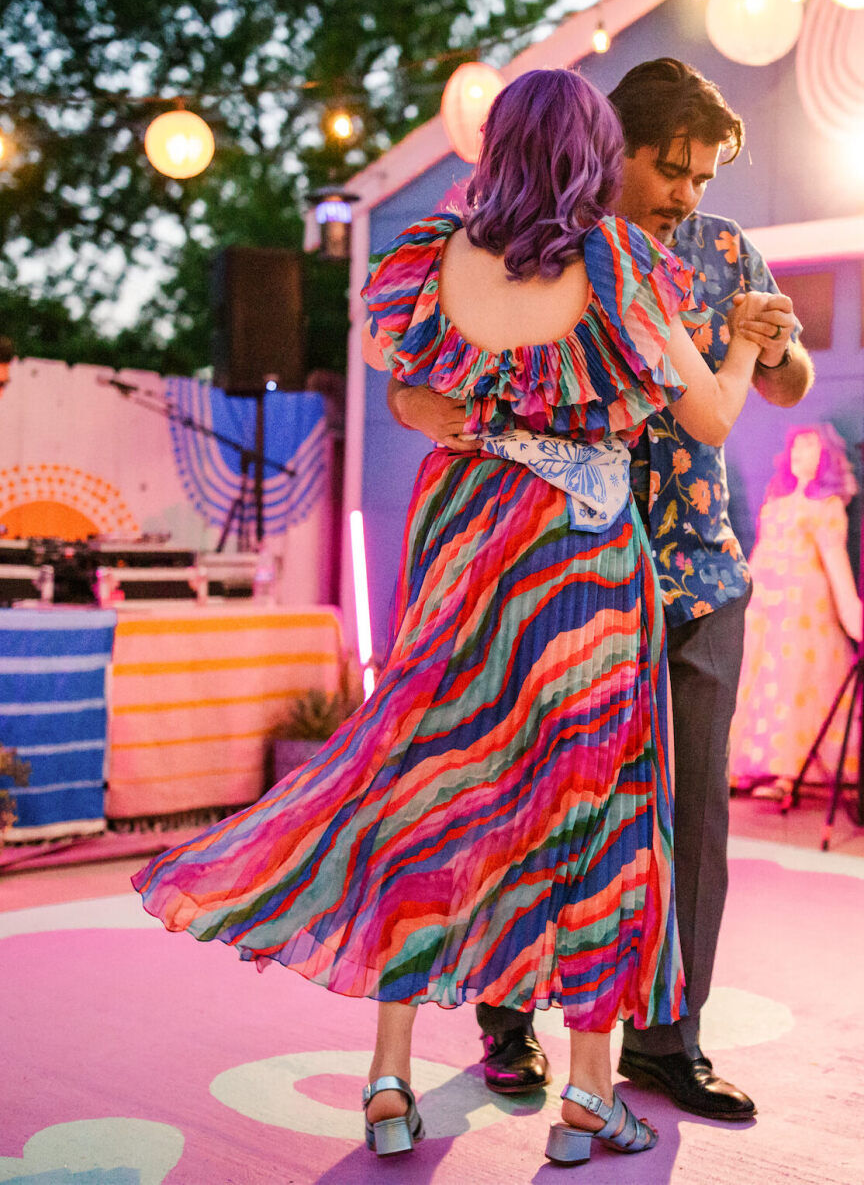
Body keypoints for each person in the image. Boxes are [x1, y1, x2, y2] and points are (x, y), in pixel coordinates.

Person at [134, 68, 768, 1164]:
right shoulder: (622, 263)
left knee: (431, 789)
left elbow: (415, 394)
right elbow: (705, 416)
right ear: (589, 152)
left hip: (469, 540)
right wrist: (748, 343)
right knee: (600, 806)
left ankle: (388, 1080)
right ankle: (586, 1097)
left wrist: (486, 425)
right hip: (581, 557)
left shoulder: (431, 259)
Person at [390, 58, 813, 1121]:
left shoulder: (720, 251)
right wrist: (416, 404)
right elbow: (428, 376)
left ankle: (666, 1045)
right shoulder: (536, 251)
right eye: (671, 168)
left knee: (685, 821)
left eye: (704, 175)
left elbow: (777, 386)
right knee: (532, 795)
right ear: (607, 147)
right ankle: (507, 1023)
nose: (689, 192)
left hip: (698, 570)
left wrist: (777, 341)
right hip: (570, 574)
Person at [730, 425, 861, 801]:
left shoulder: (827, 505)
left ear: (826, 457)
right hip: (766, 604)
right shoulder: (776, 498)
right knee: (758, 679)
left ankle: (789, 772)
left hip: (803, 606)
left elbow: (835, 560)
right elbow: (759, 552)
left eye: (811, 447)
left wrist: (853, 613)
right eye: (797, 447)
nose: (802, 453)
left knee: (793, 682)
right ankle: (749, 766)